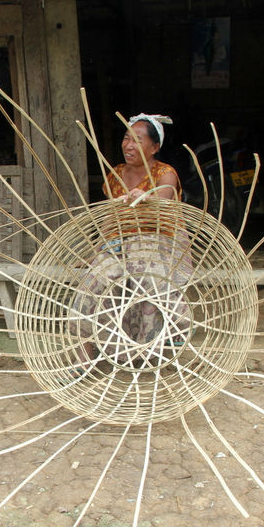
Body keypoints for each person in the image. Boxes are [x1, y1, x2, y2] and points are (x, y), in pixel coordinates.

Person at [69, 114, 191, 365]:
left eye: (138, 140)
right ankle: (84, 355)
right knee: (92, 283)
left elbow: (165, 198)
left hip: (160, 239)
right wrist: (97, 251)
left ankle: (166, 335)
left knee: (146, 275)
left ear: (155, 148)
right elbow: (110, 218)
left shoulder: (165, 173)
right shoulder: (115, 174)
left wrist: (149, 197)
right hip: (121, 241)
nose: (129, 145)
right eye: (126, 138)